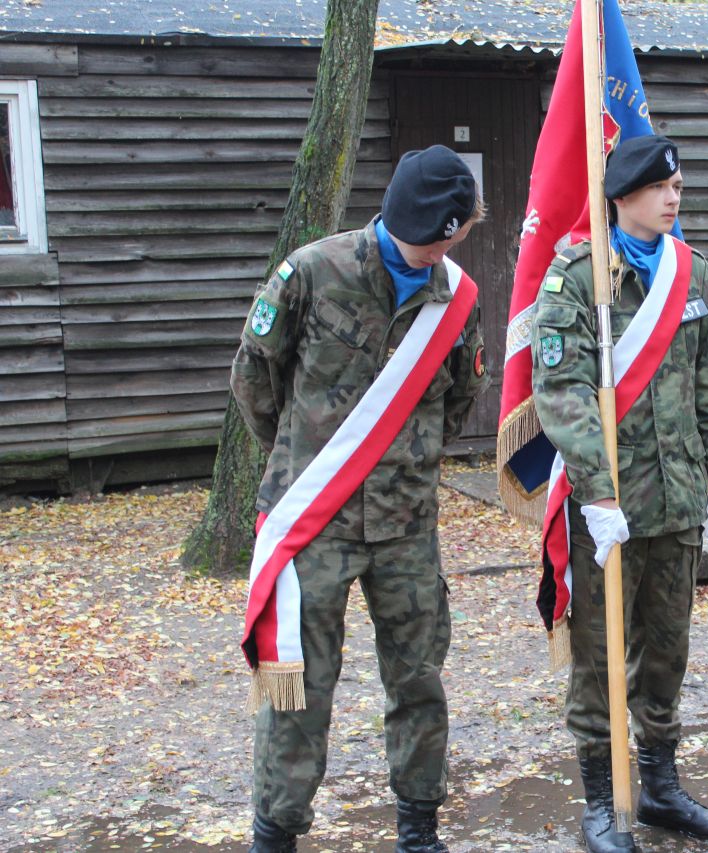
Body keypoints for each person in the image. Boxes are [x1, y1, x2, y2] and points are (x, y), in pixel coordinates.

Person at [230, 145, 489, 853]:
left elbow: (461, 397)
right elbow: (255, 380)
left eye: (449, 239)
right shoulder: (313, 271)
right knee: (298, 686)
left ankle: (419, 830)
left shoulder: (457, 297)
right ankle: (276, 833)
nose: (438, 251)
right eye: (429, 239)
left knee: (418, 681)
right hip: (315, 522)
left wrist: (405, 463)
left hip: (407, 527)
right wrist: (305, 458)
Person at [530, 134, 708, 853]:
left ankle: (660, 786)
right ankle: (601, 798)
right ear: (622, 196)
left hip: (677, 500)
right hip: (609, 508)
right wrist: (595, 494)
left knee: (666, 652)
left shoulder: (692, 271)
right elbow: (562, 394)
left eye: (677, 186)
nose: (673, 198)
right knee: (599, 659)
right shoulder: (579, 276)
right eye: (659, 187)